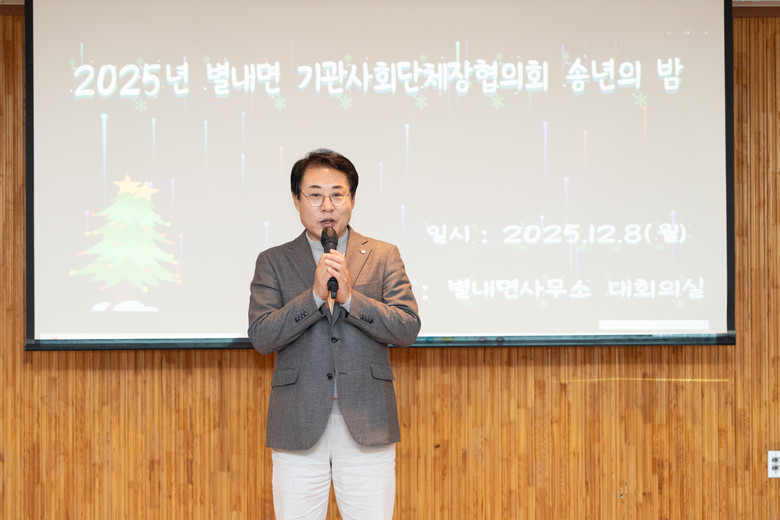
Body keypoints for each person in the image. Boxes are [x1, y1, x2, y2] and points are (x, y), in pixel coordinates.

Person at [248, 148, 421, 520]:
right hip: (298, 422)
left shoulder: (383, 255)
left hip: (367, 421)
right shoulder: (273, 261)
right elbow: (262, 336)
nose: (327, 205)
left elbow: (407, 327)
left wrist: (351, 300)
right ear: (297, 200)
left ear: (352, 199)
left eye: (337, 194)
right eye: (315, 195)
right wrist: (313, 297)